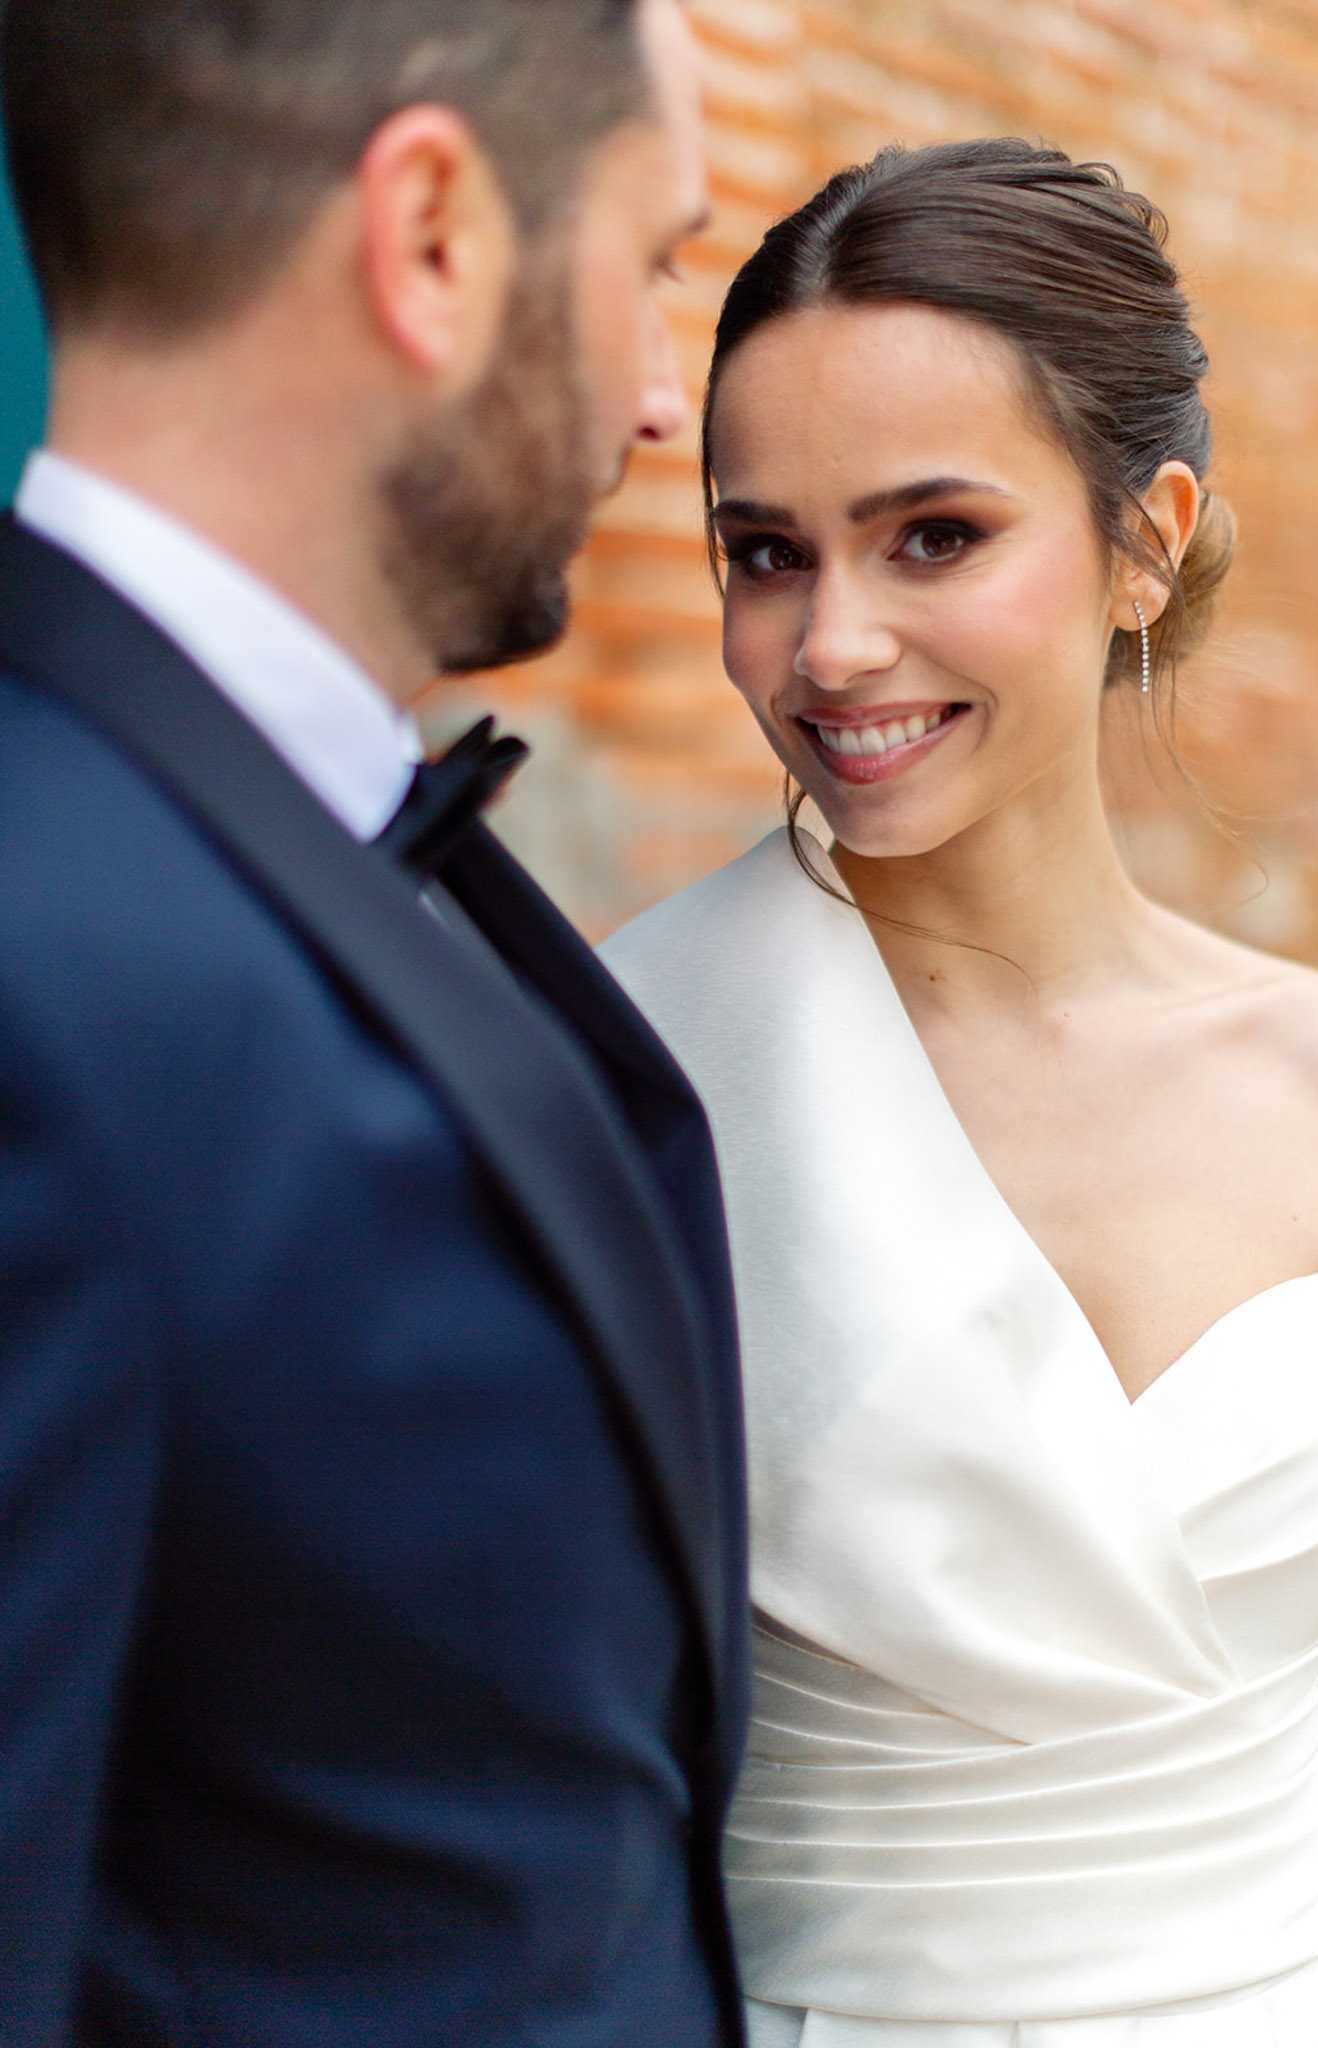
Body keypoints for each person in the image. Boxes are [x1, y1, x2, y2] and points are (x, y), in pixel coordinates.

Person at [601, 139, 1318, 2045]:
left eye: (932, 535)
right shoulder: (626, 1076)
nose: (832, 642)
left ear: (1146, 539)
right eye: (767, 551)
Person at [0, 3, 750, 2043]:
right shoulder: (42, 955)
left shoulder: (314, 827)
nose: (665, 401)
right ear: (433, 235)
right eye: (656, 256)